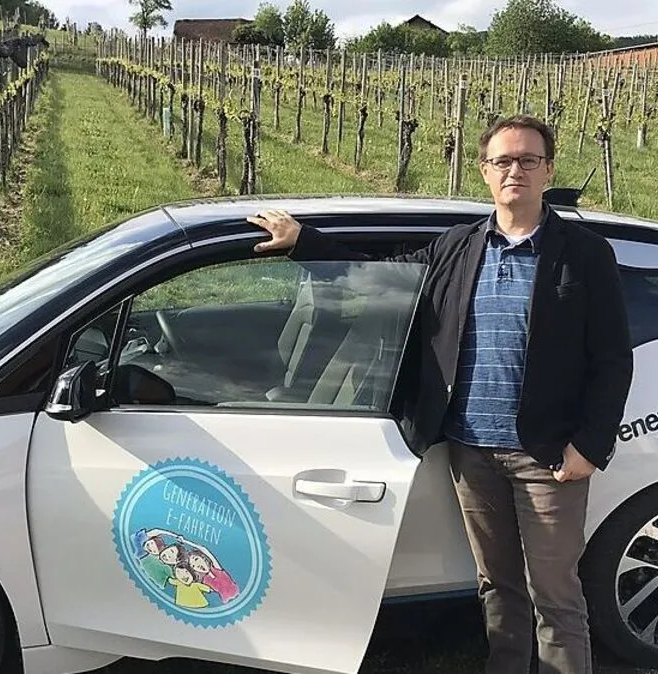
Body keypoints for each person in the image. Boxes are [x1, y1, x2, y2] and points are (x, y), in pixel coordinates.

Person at [246, 114, 634, 674]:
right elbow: (386, 277)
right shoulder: (458, 246)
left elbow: (613, 358)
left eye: (528, 160)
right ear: (484, 171)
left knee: (555, 595)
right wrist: (306, 242)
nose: (515, 170)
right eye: (503, 160)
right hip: (471, 451)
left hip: (547, 456)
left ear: (548, 170)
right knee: (497, 585)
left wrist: (590, 446)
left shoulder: (585, 252)